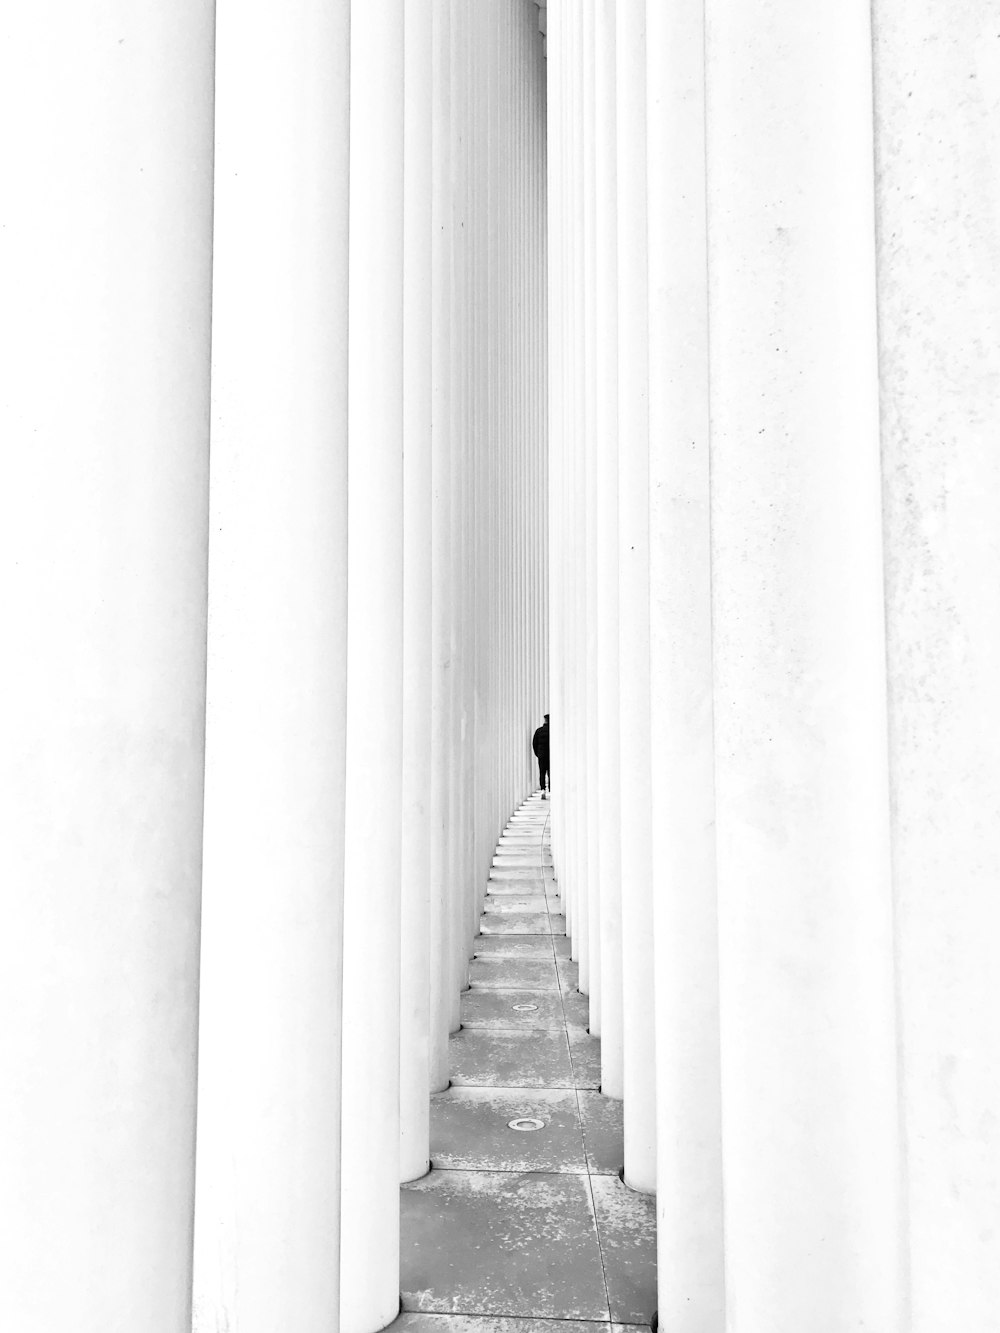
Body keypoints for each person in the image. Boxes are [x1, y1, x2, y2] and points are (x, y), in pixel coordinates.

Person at [531, 713, 549, 798]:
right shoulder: (552, 731)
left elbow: (534, 743)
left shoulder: (539, 731)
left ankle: (543, 790)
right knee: (550, 773)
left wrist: (538, 754)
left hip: (542, 755)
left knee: (542, 773)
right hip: (550, 755)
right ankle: (551, 789)